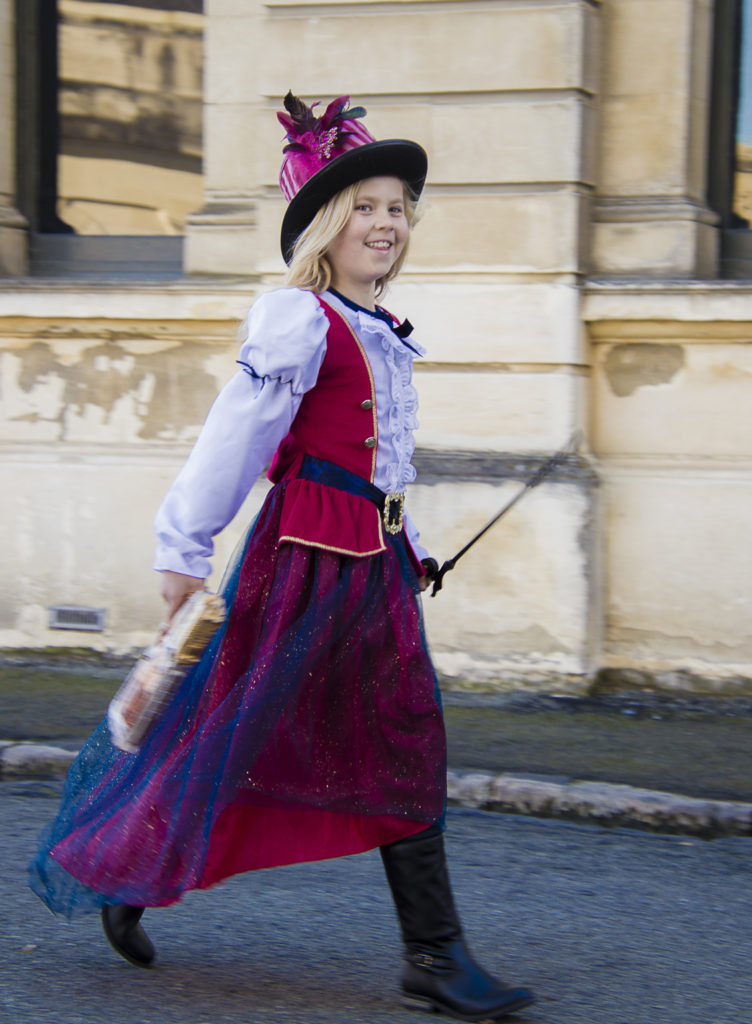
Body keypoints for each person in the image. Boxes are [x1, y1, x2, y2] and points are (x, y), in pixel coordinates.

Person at [29, 92, 535, 1022]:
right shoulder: (298, 321)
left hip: (367, 562)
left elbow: (376, 468)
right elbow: (237, 438)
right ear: (328, 227)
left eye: (396, 209)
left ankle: (430, 952)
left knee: (390, 735)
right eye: (366, 208)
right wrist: (181, 546)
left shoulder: (377, 330)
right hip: (303, 559)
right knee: (241, 730)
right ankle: (132, 874)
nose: (385, 223)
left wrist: (409, 547)